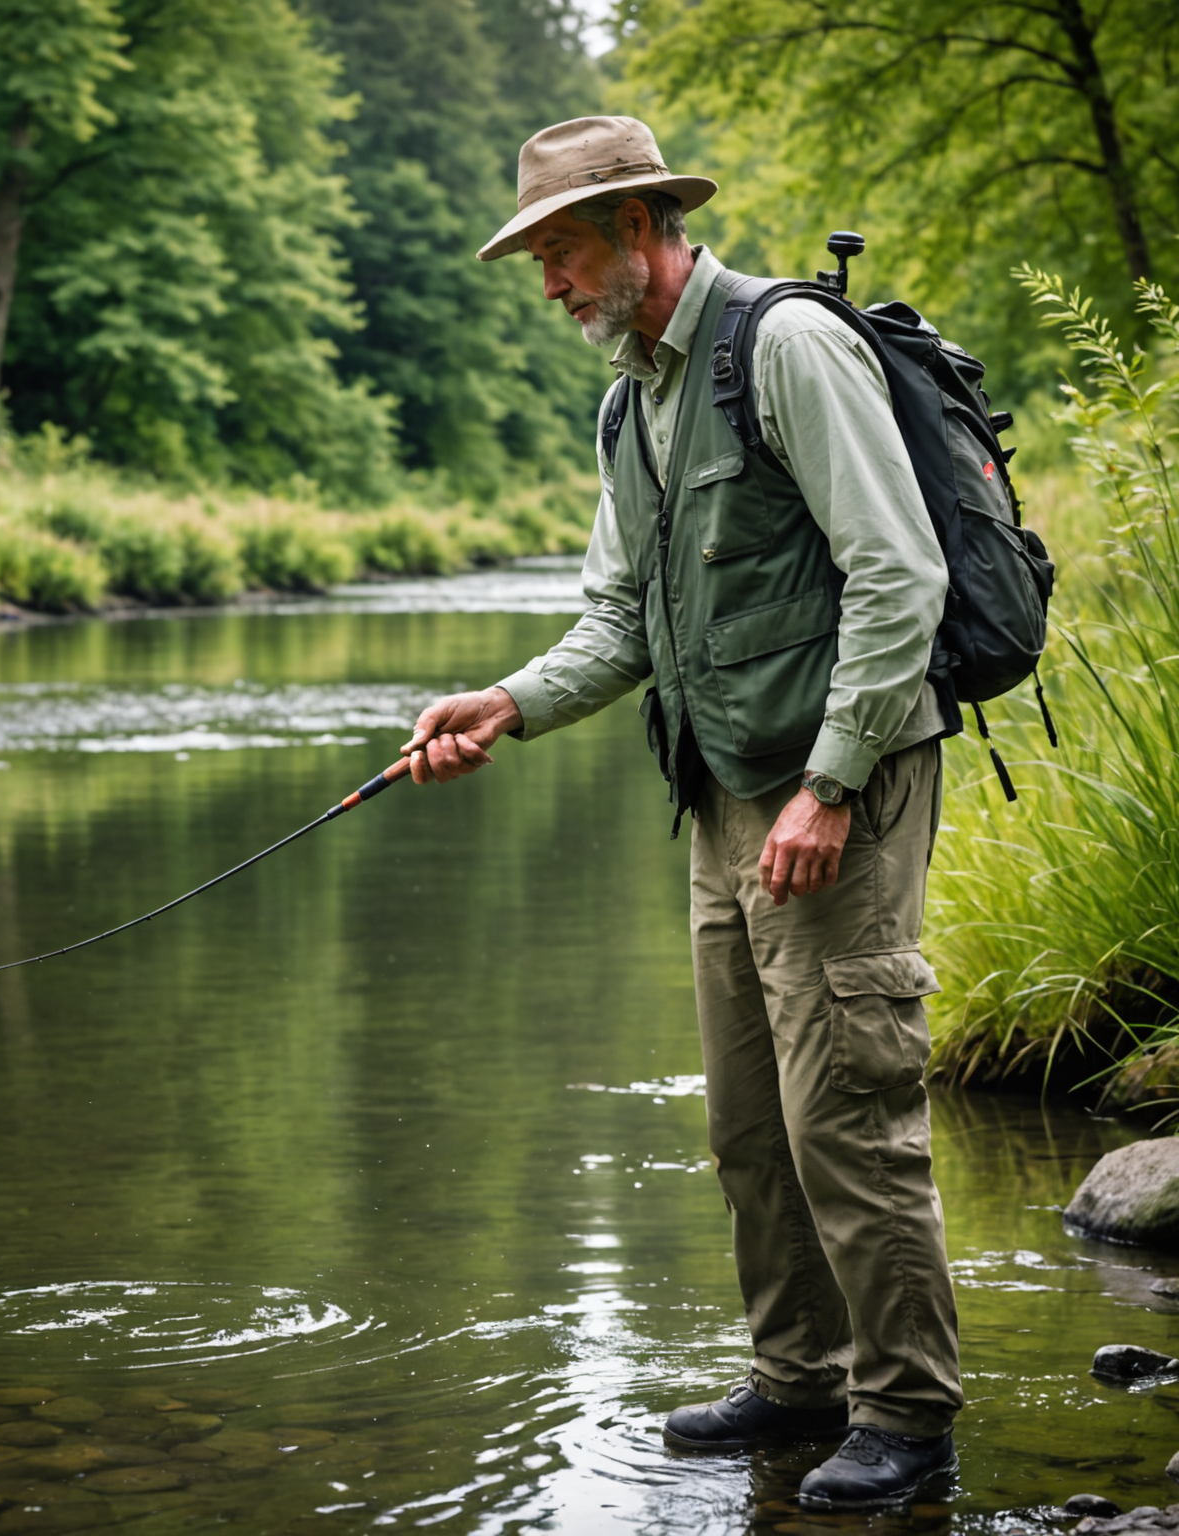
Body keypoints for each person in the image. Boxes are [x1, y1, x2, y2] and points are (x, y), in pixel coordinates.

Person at [399, 116, 963, 1512]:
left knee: (850, 1113)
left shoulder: (782, 346)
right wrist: (504, 704)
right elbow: (616, 624)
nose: (549, 286)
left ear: (641, 224)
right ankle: (798, 1382)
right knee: (750, 1117)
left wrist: (833, 781)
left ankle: (908, 1418)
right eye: (537, 260)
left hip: (848, 784)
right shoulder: (629, 400)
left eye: (562, 251)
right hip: (723, 800)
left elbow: (899, 578)